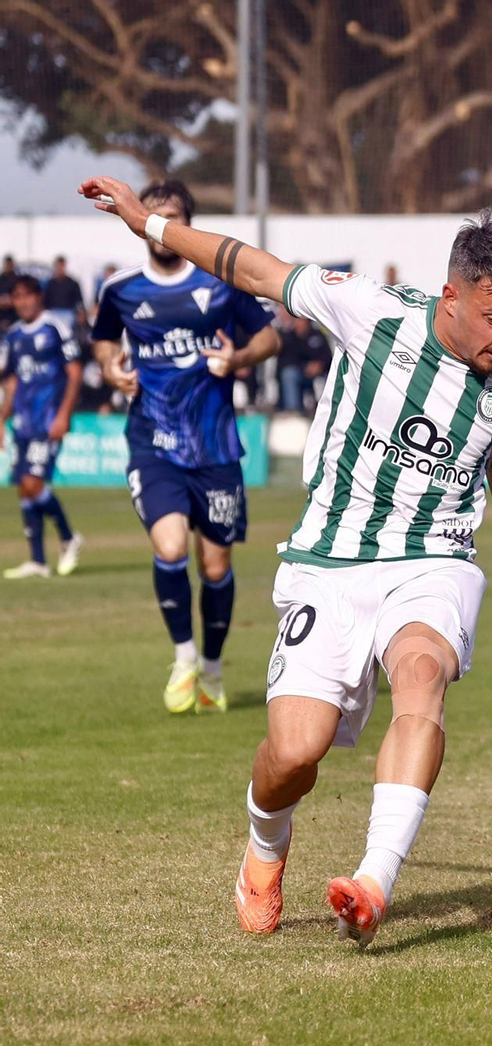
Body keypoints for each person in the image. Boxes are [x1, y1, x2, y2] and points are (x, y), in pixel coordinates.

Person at [81, 175, 492, 949]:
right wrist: (153, 226)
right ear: (453, 295)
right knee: (294, 753)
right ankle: (264, 852)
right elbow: (253, 266)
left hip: (432, 561)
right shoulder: (369, 312)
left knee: (422, 674)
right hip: (330, 561)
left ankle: (372, 880)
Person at [90, 180, 282, 714]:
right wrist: (111, 368)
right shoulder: (121, 289)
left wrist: (236, 360)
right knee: (170, 548)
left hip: (215, 444)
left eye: (168, 215)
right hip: (152, 441)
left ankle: (213, 670)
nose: (156, 224)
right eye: (148, 214)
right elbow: (104, 339)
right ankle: (183, 657)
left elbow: (269, 338)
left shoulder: (220, 284)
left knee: (215, 566)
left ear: (186, 224)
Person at [0, 275, 85, 578]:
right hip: (23, 421)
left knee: (33, 482)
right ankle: (37, 560)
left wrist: (64, 415)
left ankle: (68, 537)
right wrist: (2, 418)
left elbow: (74, 373)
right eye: (16, 297)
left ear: (39, 297)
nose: (22, 302)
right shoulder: (13, 336)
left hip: (48, 420)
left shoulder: (56, 327)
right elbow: (11, 380)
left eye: (27, 295)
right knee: (24, 487)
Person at [276, 314, 331, 415]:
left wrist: (319, 365)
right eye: (297, 321)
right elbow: (284, 362)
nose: (299, 323)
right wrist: (304, 368)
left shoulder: (317, 335)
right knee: (289, 374)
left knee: (324, 379)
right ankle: (293, 412)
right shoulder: (288, 338)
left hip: (318, 376)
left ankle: (325, 412)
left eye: (302, 321)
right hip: (298, 374)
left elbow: (328, 357)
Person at [43, 256, 86, 328]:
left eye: (61, 266)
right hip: (53, 312)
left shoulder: (73, 283)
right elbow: (45, 301)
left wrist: (81, 313)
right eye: (58, 266)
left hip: (68, 313)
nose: (60, 268)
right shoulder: (50, 284)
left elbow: (79, 301)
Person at [0, 255, 20, 329]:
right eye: (7, 264)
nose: (8, 266)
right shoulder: (1, 279)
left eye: (10, 264)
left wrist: (10, 300)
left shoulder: (17, 280)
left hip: (14, 316)